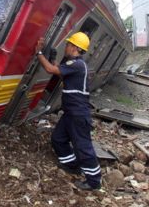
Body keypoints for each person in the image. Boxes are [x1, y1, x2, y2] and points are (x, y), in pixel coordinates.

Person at [35, 32, 101, 191]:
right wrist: (51, 59)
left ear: (75, 48)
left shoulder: (77, 64)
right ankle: (72, 166)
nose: (66, 46)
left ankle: (94, 181)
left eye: (69, 44)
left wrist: (38, 52)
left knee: (83, 147)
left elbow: (51, 70)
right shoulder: (75, 65)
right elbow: (59, 71)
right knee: (58, 139)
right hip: (70, 113)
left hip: (78, 115)